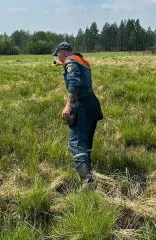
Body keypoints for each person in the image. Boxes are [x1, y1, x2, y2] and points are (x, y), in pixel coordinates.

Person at [52, 42, 103, 189]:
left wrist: (68, 105)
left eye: (58, 55)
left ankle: (87, 183)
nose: (58, 58)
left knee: (75, 143)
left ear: (62, 52)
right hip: (92, 104)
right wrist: (60, 64)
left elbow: (74, 82)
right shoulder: (80, 60)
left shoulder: (69, 62)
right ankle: (90, 173)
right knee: (86, 144)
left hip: (81, 105)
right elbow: (73, 69)